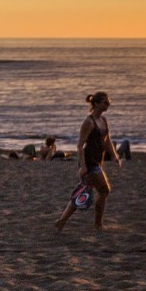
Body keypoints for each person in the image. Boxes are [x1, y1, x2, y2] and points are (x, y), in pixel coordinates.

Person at [55, 92, 120, 231]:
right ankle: (98, 224)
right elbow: (80, 145)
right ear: (96, 104)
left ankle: (62, 221)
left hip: (98, 160)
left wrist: (114, 155)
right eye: (105, 102)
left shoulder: (104, 120)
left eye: (108, 102)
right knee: (104, 190)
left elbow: (107, 140)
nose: (108, 105)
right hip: (90, 161)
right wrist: (83, 166)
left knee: (82, 191)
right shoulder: (88, 122)